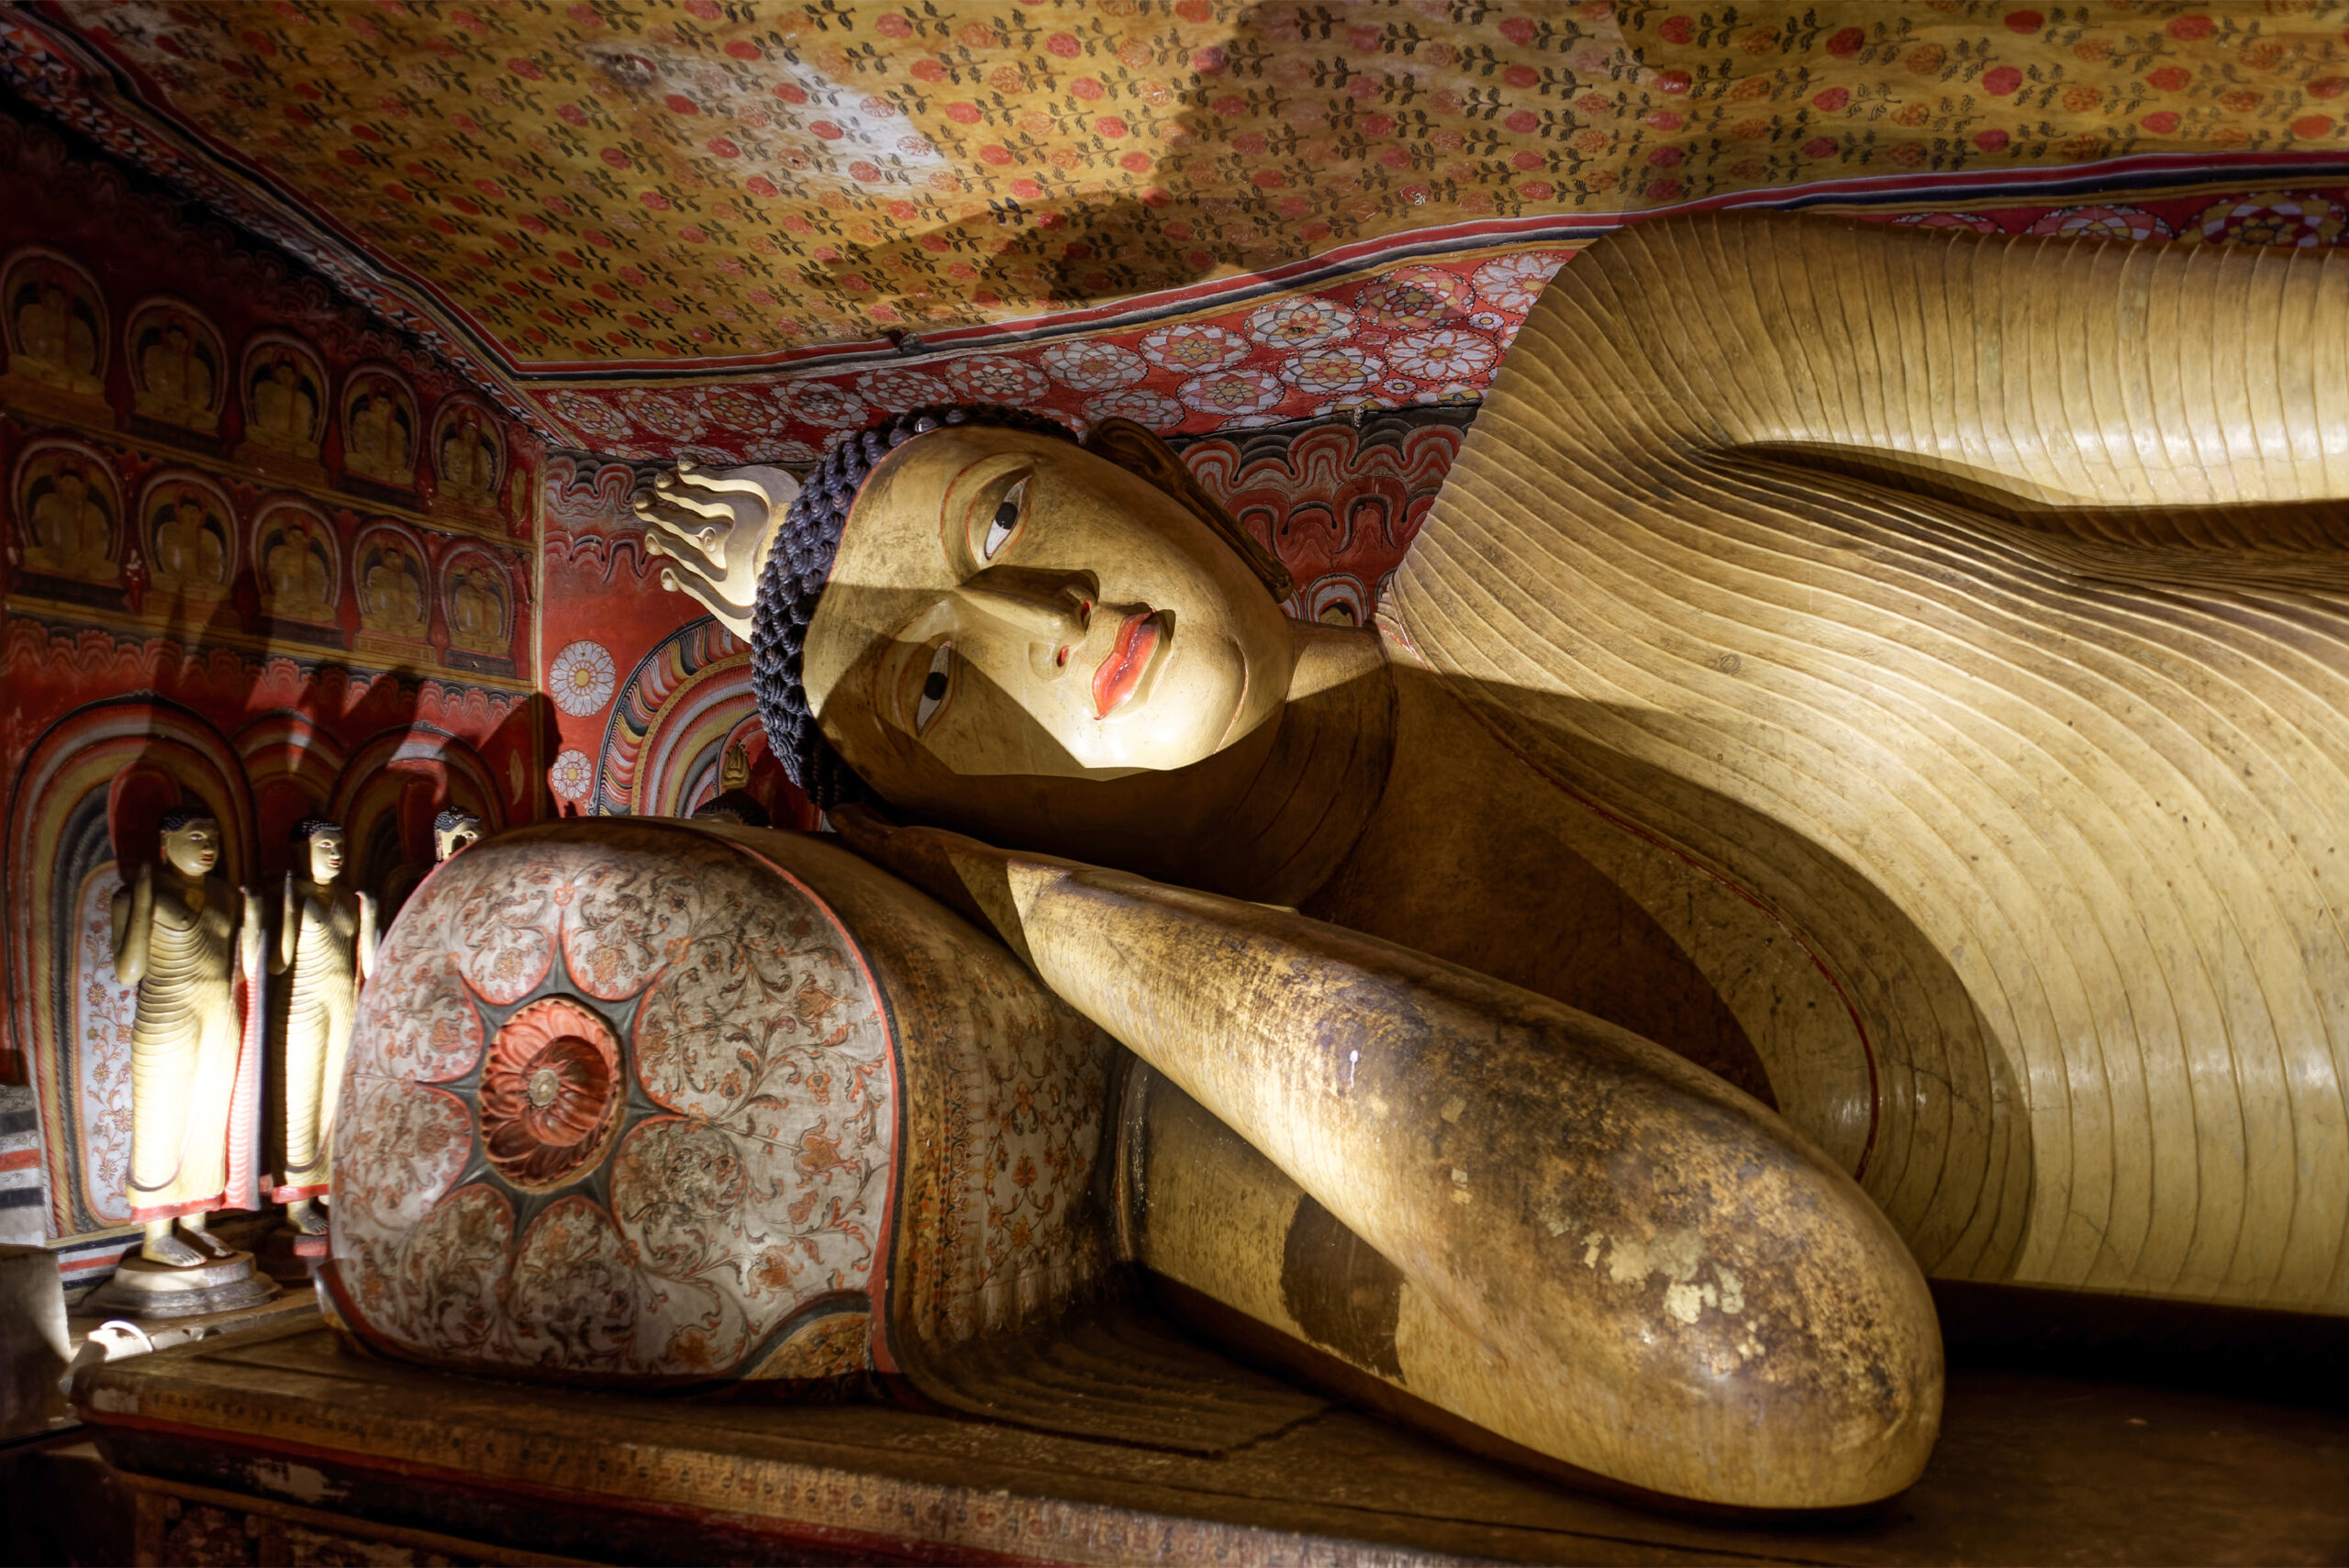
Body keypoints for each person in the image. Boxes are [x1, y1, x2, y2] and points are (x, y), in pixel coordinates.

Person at [640, 209, 2349, 1499]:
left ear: (1160, 475)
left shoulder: (1627, 369)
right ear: (952, 835)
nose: (1039, 612)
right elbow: (1815, 1379)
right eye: (938, 683)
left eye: (1001, 514)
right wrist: (1043, 919)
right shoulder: (1297, 1142)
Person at [112, 808, 263, 1266]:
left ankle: (197, 1223)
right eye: (195, 836)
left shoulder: (224, 895)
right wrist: (143, 899)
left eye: (213, 837)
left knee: (208, 1122)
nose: (207, 846)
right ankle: (157, 1234)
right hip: (167, 1020)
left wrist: (253, 917)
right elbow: (127, 973)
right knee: (162, 1124)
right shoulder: (137, 895)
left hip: (220, 1019)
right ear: (165, 844)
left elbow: (249, 966)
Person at [272, 818, 373, 1236]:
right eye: (325, 845)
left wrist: (371, 915)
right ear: (301, 851)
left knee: (339, 1101)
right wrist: (288, 908)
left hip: (343, 1008)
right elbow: (278, 964)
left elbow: (371, 967)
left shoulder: (351, 899)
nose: (336, 854)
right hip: (301, 1009)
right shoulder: (292, 895)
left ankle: (332, 1191)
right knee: (300, 1104)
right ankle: (297, 1203)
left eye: (340, 846)